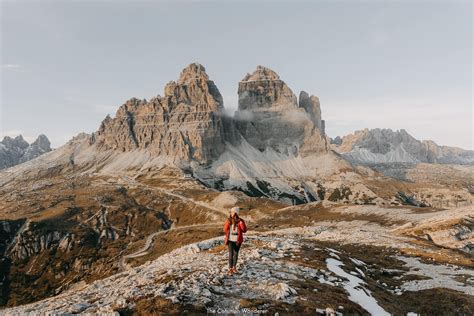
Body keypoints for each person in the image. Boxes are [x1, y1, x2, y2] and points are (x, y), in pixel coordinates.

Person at [223, 206, 247, 275]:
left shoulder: (240, 221)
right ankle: (230, 269)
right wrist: (227, 224)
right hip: (230, 240)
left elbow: (244, 230)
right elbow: (225, 229)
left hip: (238, 240)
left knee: (236, 254)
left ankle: (234, 267)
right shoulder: (228, 220)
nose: (231, 213)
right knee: (231, 254)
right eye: (231, 212)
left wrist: (241, 224)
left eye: (232, 212)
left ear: (236, 213)